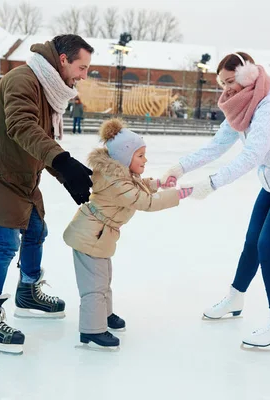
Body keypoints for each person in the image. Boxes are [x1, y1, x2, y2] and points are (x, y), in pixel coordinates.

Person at [162, 52, 270, 348]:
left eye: (232, 81)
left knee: (268, 249)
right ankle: (235, 298)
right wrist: (180, 168)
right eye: (223, 83)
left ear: (249, 76)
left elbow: (252, 156)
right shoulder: (241, 106)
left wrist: (210, 184)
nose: (227, 89)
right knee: (252, 242)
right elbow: (217, 145)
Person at [0, 35, 95, 355]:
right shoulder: (23, 80)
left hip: (21, 177)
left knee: (37, 230)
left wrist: (65, 174)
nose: (84, 75)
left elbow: (38, 141)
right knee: (5, 244)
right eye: (82, 67)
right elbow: (21, 126)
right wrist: (63, 161)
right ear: (63, 60)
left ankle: (28, 291)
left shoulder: (49, 89)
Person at [63, 119, 192, 350]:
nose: (145, 160)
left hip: (98, 236)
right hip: (89, 236)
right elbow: (144, 201)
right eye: (140, 155)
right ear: (124, 158)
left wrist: (160, 183)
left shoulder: (121, 175)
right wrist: (177, 195)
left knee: (104, 279)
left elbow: (138, 186)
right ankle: (92, 330)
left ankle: (105, 315)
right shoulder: (116, 183)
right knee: (94, 284)